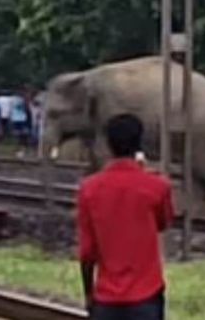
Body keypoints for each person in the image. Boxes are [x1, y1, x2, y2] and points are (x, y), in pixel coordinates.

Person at [77, 114, 173, 320]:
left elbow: (87, 252)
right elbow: (163, 222)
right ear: (139, 144)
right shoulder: (158, 186)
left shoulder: (89, 189)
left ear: (108, 145)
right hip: (147, 296)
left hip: (106, 300)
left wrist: (89, 294)